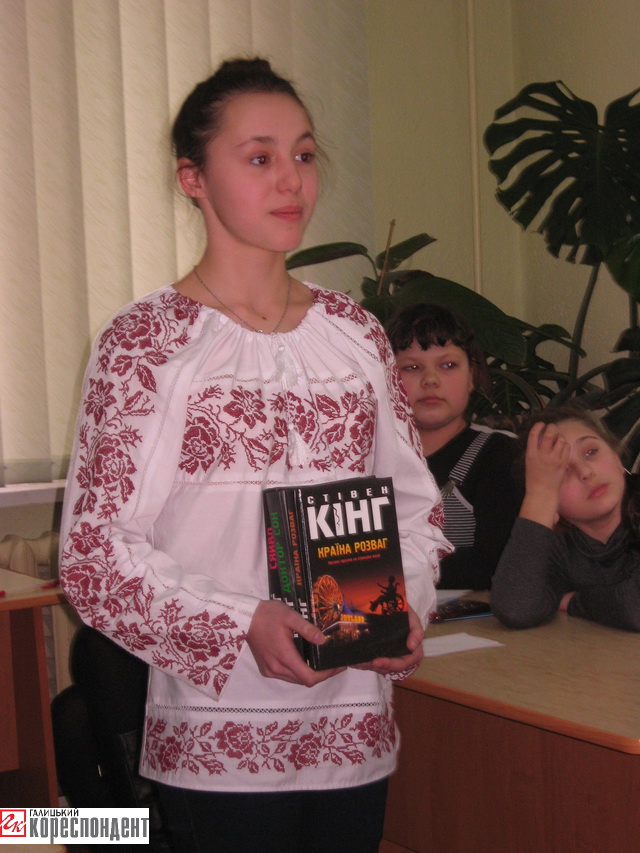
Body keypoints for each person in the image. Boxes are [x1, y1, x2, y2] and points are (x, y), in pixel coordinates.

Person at [59, 57, 451, 853]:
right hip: (220, 749)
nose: (291, 180)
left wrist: (406, 604)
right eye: (259, 157)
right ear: (193, 178)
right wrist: (245, 623)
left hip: (352, 731)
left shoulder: (356, 335)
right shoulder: (145, 343)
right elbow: (95, 556)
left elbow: (416, 509)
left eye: (303, 154)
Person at [386, 302, 521, 591]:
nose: (430, 380)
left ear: (472, 376)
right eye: (411, 367)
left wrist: (384, 572)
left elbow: (497, 564)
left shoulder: (499, 454)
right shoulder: (363, 461)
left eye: (448, 365)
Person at [491, 405, 640, 632]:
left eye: (591, 452)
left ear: (616, 457)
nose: (585, 472)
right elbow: (515, 609)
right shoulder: (561, 548)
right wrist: (540, 497)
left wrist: (574, 602)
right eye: (562, 471)